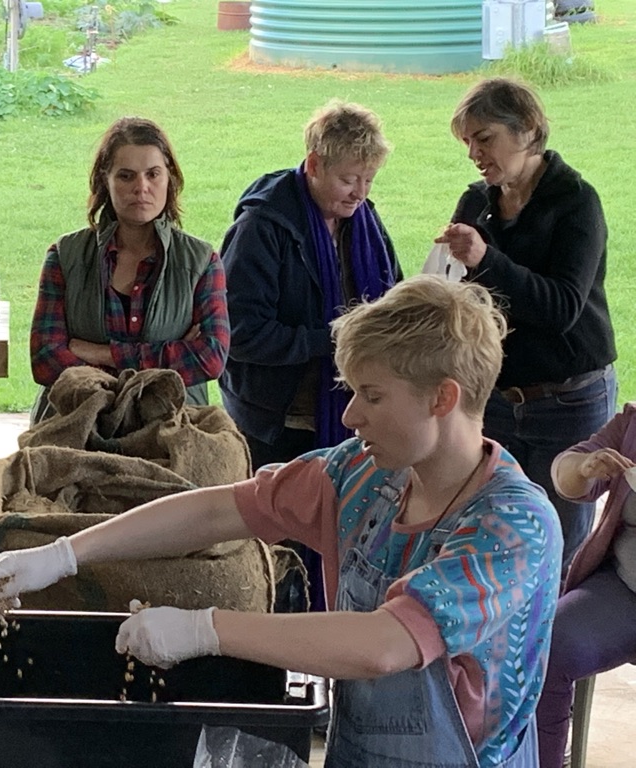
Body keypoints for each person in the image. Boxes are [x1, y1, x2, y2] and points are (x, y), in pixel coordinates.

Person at [0, 275, 563, 768]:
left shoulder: (513, 526)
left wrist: (207, 629)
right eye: (350, 391)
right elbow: (220, 508)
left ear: (443, 398)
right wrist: (63, 554)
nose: (351, 415)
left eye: (372, 396)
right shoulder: (360, 474)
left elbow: (386, 644)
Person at [218, 100, 400, 612]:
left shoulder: (362, 218)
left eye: (368, 179)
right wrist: (336, 339)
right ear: (314, 165)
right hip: (277, 422)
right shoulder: (262, 228)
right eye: (349, 179)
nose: (360, 193)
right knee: (279, 562)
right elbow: (242, 333)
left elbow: (390, 291)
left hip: (347, 417)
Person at [436, 77, 616, 577]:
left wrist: (484, 258)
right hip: (492, 401)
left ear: (528, 130)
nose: (473, 152)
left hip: (569, 402)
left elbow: (562, 308)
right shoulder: (476, 202)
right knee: (489, 536)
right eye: (467, 141)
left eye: (484, 137)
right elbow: (463, 299)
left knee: (559, 550)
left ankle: (552, 652)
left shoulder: (576, 202)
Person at [29, 116, 229, 421]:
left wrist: (102, 353)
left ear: (170, 178)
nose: (141, 188)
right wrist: (164, 360)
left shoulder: (200, 261)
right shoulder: (65, 255)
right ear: (104, 181)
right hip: (76, 430)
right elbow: (44, 359)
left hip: (171, 433)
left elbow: (210, 358)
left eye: (153, 174)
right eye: (126, 176)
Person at [535, 411, 636, 767]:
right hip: (625, 588)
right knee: (547, 645)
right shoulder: (632, 425)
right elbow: (565, 470)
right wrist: (584, 468)